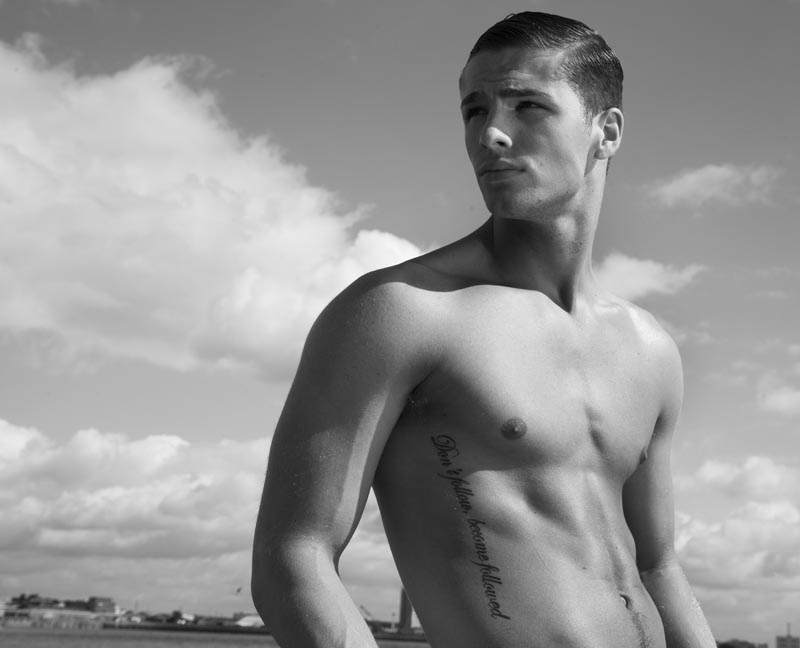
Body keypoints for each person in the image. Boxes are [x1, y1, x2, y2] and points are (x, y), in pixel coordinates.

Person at [251, 11, 716, 648]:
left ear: (605, 132)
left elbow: (658, 566)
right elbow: (293, 559)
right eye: (475, 110)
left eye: (529, 106)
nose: (491, 133)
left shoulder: (650, 349)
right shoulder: (405, 311)